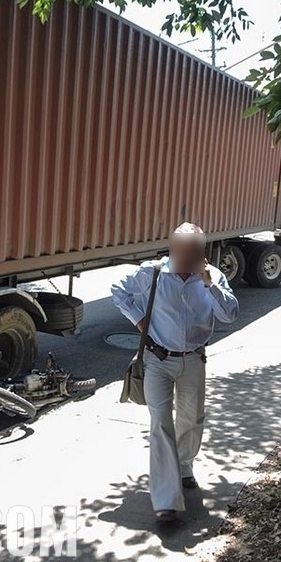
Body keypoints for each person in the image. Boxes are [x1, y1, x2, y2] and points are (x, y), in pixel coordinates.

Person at [111, 222, 239, 521]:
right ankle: (166, 500)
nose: (185, 261)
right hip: (157, 359)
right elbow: (119, 291)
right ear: (171, 250)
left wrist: (209, 282)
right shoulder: (152, 273)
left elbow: (229, 315)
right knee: (160, 424)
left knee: (192, 419)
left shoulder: (213, 278)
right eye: (180, 254)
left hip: (194, 359)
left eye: (192, 254)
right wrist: (140, 323)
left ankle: (183, 467)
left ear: (202, 254)